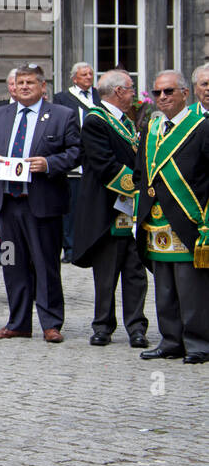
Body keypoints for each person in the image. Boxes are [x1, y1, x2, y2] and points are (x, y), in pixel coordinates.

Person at [0, 64, 80, 342]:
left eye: (30, 82)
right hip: (8, 205)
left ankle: (50, 323)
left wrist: (49, 163)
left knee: (46, 265)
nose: (24, 86)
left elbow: (76, 152)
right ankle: (18, 322)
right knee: (12, 264)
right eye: (20, 82)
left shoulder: (62, 115)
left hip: (42, 205)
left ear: (42, 86)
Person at [135, 71, 209, 364]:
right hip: (155, 219)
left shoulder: (201, 127)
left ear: (185, 94)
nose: (162, 98)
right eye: (157, 93)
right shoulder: (151, 128)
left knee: (191, 288)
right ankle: (170, 340)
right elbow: (141, 172)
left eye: (168, 92)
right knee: (164, 288)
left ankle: (199, 343)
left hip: (190, 218)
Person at [72, 69, 148, 348]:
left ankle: (137, 326)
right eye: (130, 89)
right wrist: (139, 187)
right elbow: (105, 165)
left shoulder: (126, 122)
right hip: (107, 210)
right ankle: (102, 326)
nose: (133, 94)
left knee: (135, 273)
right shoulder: (95, 120)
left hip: (131, 212)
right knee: (106, 275)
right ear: (118, 91)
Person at [52, 62, 95, 263]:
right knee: (71, 207)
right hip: (74, 160)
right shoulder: (63, 97)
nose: (88, 77)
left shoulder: (98, 95)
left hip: (93, 158)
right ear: (74, 78)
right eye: (84, 74)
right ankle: (69, 247)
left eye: (90, 74)